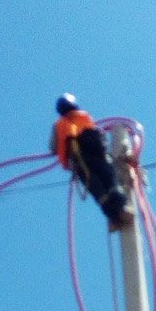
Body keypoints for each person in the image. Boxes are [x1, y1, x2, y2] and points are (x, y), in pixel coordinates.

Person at [49, 95, 131, 227]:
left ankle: (114, 215)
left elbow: (53, 148)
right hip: (96, 148)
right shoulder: (83, 116)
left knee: (95, 184)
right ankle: (121, 207)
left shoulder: (59, 125)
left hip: (80, 157)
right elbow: (95, 132)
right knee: (109, 176)